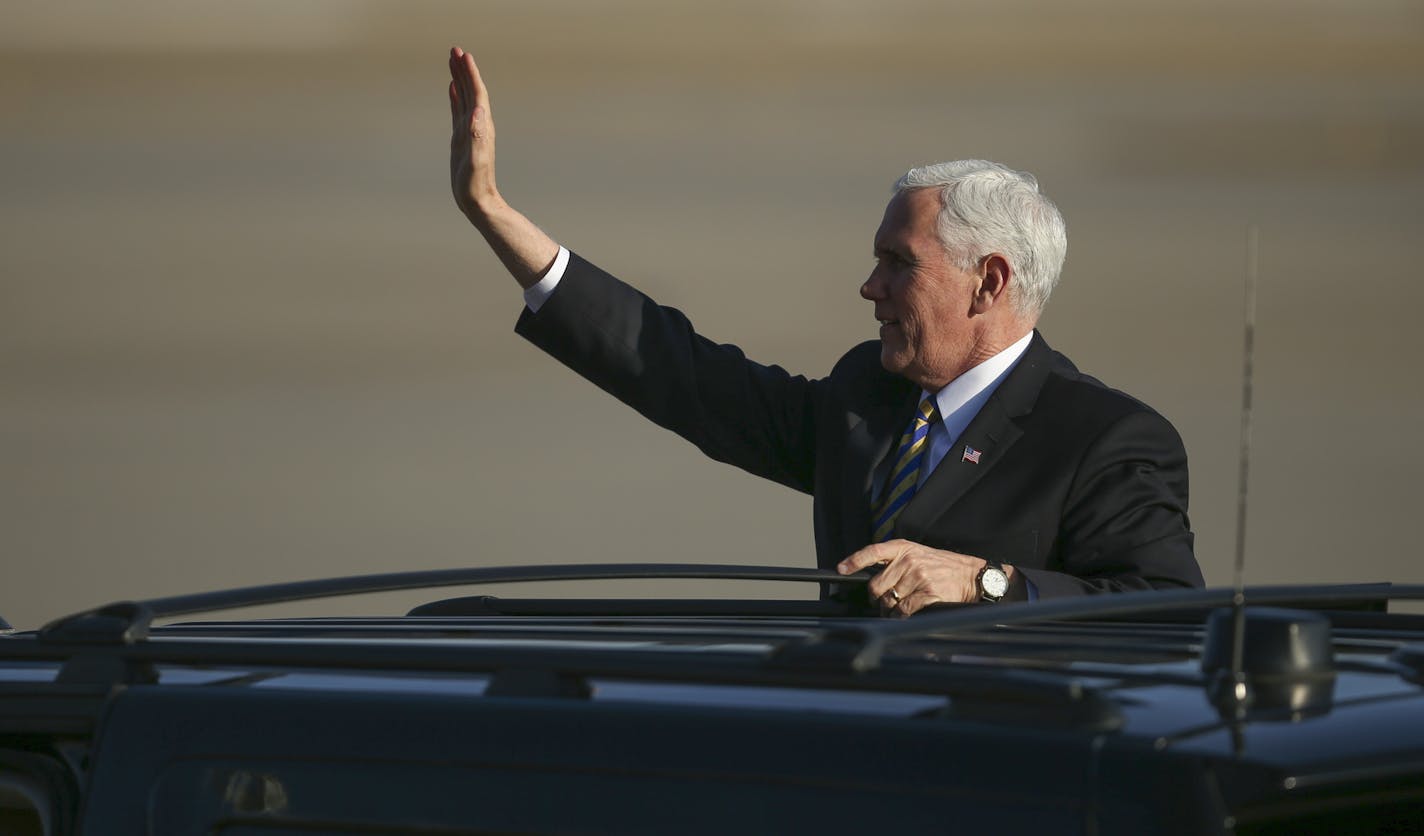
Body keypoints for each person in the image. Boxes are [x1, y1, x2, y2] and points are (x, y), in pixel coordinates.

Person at [446, 47, 1204, 615]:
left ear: (991, 281)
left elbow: (1168, 612)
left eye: (897, 264)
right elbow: (683, 375)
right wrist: (493, 214)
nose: (869, 288)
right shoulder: (863, 397)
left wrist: (985, 583)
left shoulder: (1105, 438)